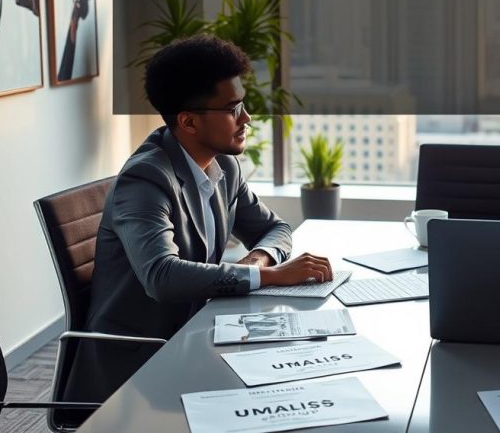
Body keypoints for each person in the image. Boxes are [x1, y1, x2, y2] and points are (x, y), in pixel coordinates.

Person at [64, 36, 333, 404]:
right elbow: (162, 276)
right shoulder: (145, 180)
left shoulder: (224, 166)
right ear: (189, 122)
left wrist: (258, 261)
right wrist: (270, 276)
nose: (247, 118)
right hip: (139, 367)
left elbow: (276, 229)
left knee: (305, 377)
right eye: (233, 109)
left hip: (197, 336)